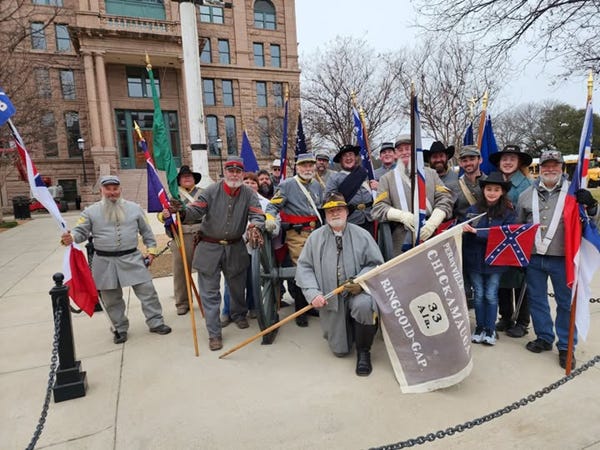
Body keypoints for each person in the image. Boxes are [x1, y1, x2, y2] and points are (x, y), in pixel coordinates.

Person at [60, 175, 171, 344]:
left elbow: (147, 232)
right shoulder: (90, 212)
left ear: (120, 189)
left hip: (132, 258)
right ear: (101, 190)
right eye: (108, 189)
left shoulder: (135, 208)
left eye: (115, 188)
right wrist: (71, 238)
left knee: (148, 292)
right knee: (111, 299)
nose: (112, 192)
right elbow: (80, 232)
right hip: (104, 262)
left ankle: (156, 322)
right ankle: (119, 328)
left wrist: (151, 251)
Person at [517, 150, 598, 369]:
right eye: (546, 165)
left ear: (562, 167)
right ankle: (544, 337)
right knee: (537, 300)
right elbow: (519, 227)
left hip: (564, 259)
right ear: (540, 168)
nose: (550, 169)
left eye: (555, 165)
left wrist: (591, 205)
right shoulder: (526, 195)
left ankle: (565, 346)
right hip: (534, 258)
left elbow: (592, 220)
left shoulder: (574, 193)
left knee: (565, 303)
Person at [173, 156, 265, 351]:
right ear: (225, 172)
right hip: (209, 247)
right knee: (210, 294)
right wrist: (182, 211)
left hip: (235, 247)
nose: (234, 174)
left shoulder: (249, 193)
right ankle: (214, 333)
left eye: (238, 171)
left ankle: (238, 315)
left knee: (237, 288)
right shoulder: (210, 191)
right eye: (231, 171)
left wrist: (256, 225)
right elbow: (196, 211)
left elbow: (257, 214)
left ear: (242, 174)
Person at [295, 192, 384, 376]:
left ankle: (364, 353)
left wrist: (360, 282)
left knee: (364, 305)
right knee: (340, 351)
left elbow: (375, 264)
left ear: (346, 212)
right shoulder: (315, 238)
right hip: (331, 298)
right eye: (330, 211)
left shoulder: (363, 235)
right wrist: (313, 293)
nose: (335, 213)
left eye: (339, 209)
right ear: (325, 214)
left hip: (358, 293)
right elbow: (304, 267)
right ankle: (347, 332)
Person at [265, 153, 324, 327]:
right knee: (302, 269)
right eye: (304, 165)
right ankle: (301, 311)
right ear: (297, 167)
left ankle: (310, 304)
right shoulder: (287, 185)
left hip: (317, 232)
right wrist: (269, 218)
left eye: (310, 165)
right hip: (297, 234)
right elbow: (273, 205)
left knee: (317, 268)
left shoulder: (317, 185)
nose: (308, 169)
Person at [371, 135, 454, 256]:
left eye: (408, 148)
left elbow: (445, 198)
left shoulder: (431, 174)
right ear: (395, 154)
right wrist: (402, 216)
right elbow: (378, 208)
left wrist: (433, 222)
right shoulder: (386, 179)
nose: (404, 152)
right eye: (400, 150)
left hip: (431, 233)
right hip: (401, 239)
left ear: (415, 151)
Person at [461, 172, 517, 346]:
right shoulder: (473, 210)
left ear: (502, 192)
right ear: (483, 190)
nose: (492, 193)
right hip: (475, 260)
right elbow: (463, 230)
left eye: (496, 189)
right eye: (489, 189)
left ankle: (490, 329)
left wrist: (477, 233)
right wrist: (462, 228)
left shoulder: (508, 213)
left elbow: (505, 235)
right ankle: (479, 327)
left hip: (495, 262)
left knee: (491, 295)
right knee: (478, 295)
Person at [490, 144, 533, 338]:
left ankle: (522, 321)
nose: (507, 162)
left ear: (519, 162)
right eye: (504, 159)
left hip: (519, 239)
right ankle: (506, 316)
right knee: (501, 279)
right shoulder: (494, 180)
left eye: (512, 159)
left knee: (520, 281)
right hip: (499, 237)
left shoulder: (527, 184)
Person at [221, 172, 269, 325]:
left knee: (252, 279)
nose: (249, 185)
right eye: (246, 182)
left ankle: (253, 306)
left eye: (253, 182)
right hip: (236, 245)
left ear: (258, 186)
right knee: (231, 281)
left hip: (255, 248)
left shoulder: (265, 203)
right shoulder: (232, 201)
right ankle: (227, 311)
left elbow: (269, 220)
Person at [160, 165, 202, 315]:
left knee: (207, 269)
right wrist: (164, 215)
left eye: (189, 176)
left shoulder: (204, 193)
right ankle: (183, 302)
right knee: (180, 270)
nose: (187, 178)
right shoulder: (173, 195)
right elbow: (162, 215)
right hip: (181, 234)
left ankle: (206, 300)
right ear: (178, 180)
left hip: (202, 233)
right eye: (184, 177)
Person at [326, 144, 375, 233]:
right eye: (345, 156)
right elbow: (329, 200)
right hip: (350, 220)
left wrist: (378, 187)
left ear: (355, 157)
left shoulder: (365, 174)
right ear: (340, 160)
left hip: (370, 218)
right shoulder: (334, 178)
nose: (348, 158)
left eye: (350, 154)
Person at [453, 145, 486, 222]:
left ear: (480, 160)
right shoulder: (454, 186)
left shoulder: (491, 183)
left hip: (487, 228)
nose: (468, 163)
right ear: (460, 163)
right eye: (464, 160)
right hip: (463, 227)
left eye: (472, 159)